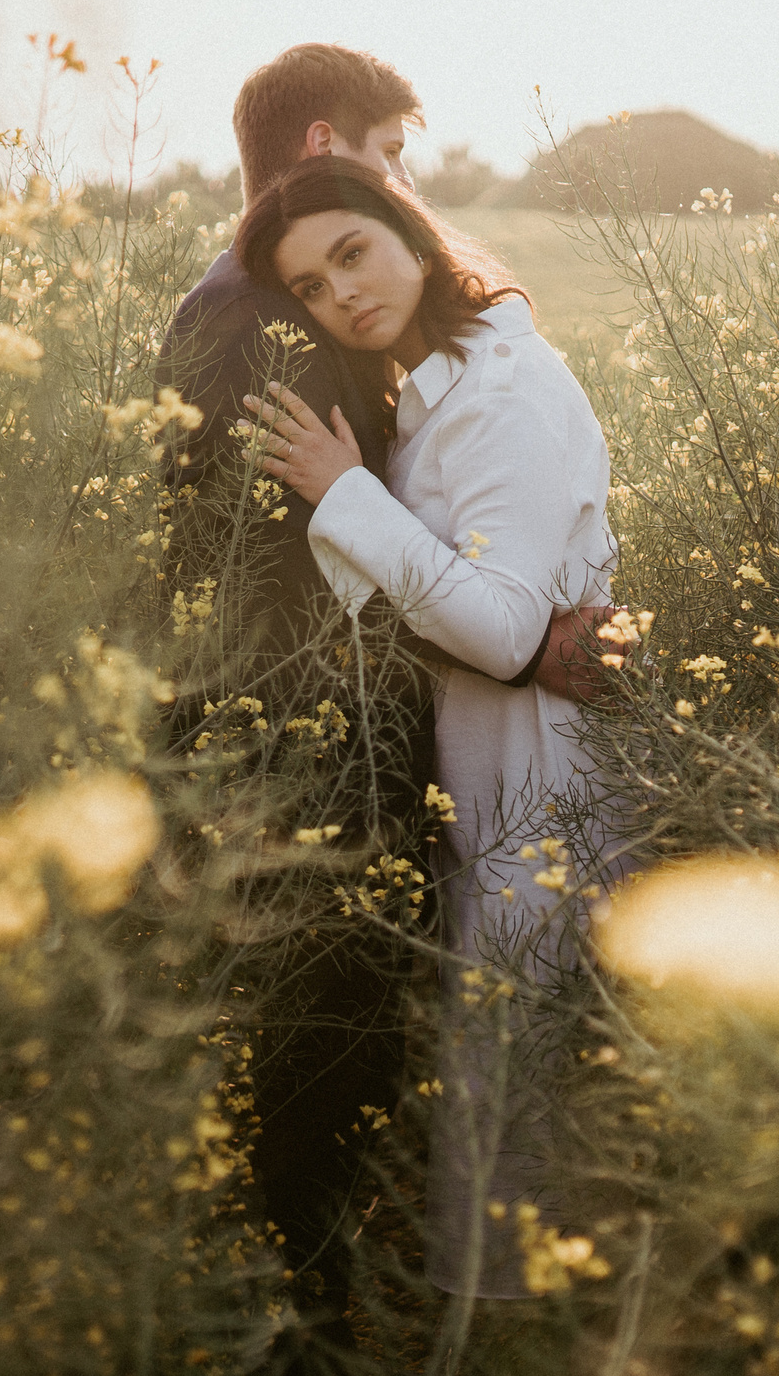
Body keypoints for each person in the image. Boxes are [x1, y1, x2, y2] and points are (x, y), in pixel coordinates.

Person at [236, 155, 618, 1300]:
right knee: (505, 1104)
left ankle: (511, 1363)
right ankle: (500, 1350)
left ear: (408, 231)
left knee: (518, 1119)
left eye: (351, 252)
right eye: (310, 286)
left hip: (543, 774)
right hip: (488, 777)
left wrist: (343, 492)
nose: (341, 294)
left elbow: (502, 629)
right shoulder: (432, 387)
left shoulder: (501, 387)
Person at [154, 43, 469, 1357]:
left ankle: (301, 1312)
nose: (403, 184)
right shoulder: (264, 326)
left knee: (306, 1048)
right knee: (318, 1048)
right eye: (391, 154)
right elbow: (286, 567)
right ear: (327, 147)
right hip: (302, 744)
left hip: (278, 736)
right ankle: (305, 1347)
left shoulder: (233, 299)